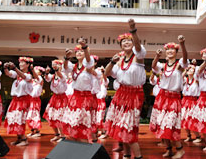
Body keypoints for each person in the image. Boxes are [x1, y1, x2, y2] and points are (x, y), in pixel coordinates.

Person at [104, 19, 146, 159]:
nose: (126, 43)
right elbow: (106, 73)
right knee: (121, 126)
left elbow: (139, 46)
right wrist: (111, 61)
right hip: (121, 94)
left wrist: (133, 30)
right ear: (121, 46)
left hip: (134, 95)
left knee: (129, 127)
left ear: (133, 44)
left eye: (129, 41)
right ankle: (127, 155)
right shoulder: (120, 61)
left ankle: (138, 156)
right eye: (123, 42)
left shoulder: (138, 57)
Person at [150, 36, 188, 159]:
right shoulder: (163, 66)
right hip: (162, 97)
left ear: (176, 52)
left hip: (174, 98)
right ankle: (168, 149)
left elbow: (186, 57)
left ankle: (180, 149)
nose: (170, 51)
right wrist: (157, 56)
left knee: (170, 124)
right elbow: (153, 65)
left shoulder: (179, 65)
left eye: (173, 49)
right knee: (161, 124)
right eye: (168, 49)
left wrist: (182, 44)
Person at [62, 39, 97, 143]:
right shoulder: (74, 67)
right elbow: (65, 67)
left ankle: (84, 147)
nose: (79, 53)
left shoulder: (88, 67)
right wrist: (67, 57)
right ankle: (76, 146)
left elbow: (88, 59)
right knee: (73, 122)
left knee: (82, 123)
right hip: (75, 96)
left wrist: (84, 46)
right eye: (77, 51)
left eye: (81, 51)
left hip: (86, 97)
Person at [4, 57, 33, 146]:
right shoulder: (16, 75)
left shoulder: (29, 75)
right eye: (19, 63)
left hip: (23, 100)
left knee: (20, 119)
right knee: (14, 118)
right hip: (15, 100)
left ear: (28, 65)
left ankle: (24, 139)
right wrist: (5, 67)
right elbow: (8, 73)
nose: (20, 64)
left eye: (22, 63)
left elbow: (23, 76)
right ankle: (19, 138)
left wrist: (15, 68)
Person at [43, 60, 67, 143]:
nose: (56, 66)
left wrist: (57, 70)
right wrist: (46, 72)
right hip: (54, 98)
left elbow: (61, 76)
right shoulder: (53, 76)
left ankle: (63, 135)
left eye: (57, 65)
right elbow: (47, 79)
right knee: (51, 116)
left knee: (59, 117)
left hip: (62, 98)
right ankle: (56, 134)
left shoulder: (63, 76)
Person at [181, 63, 201, 143]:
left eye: (192, 69)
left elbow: (198, 73)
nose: (190, 70)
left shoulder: (196, 80)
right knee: (184, 119)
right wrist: (185, 70)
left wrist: (195, 66)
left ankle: (198, 136)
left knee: (192, 120)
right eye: (189, 69)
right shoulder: (185, 80)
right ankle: (188, 136)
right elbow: (180, 77)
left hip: (193, 101)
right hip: (185, 100)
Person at [26, 66, 45, 138]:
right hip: (30, 99)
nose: (35, 70)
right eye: (35, 70)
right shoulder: (33, 80)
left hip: (35, 100)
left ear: (40, 72)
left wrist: (32, 71)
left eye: (37, 70)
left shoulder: (40, 79)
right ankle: (32, 131)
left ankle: (37, 131)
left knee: (34, 115)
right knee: (29, 115)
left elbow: (37, 77)